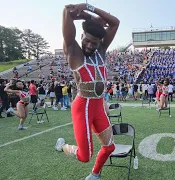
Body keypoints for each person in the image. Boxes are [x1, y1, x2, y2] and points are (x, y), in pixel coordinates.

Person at [55, 3, 120, 180]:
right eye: (87, 40)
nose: (90, 45)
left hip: (98, 105)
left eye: (95, 42)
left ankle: (95, 174)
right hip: (82, 106)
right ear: (81, 35)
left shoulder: (101, 50)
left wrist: (88, 9)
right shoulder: (74, 51)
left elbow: (115, 23)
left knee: (110, 147)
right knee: (84, 156)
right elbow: (67, 11)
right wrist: (85, 15)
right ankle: (62, 146)